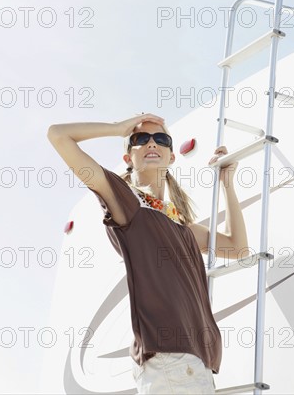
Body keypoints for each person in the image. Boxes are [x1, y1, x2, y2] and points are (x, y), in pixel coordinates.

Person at [47, 113, 250, 394]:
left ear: (171, 157)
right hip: (170, 358)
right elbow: (58, 134)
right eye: (140, 139)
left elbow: (238, 247)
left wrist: (228, 181)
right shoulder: (128, 202)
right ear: (129, 159)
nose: (151, 143)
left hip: (196, 360)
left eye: (161, 139)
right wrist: (117, 128)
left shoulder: (179, 223)